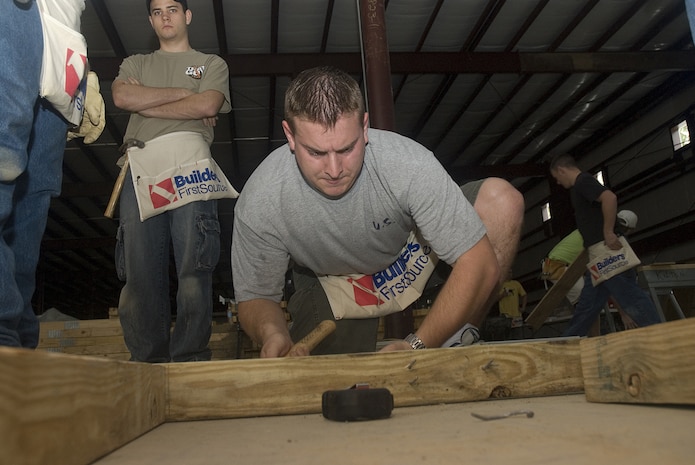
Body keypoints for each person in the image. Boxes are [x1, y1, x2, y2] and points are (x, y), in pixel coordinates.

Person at [231, 66, 525, 358]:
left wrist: (417, 345)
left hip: (408, 254)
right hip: (331, 282)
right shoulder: (261, 199)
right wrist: (272, 334)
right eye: (316, 153)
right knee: (328, 386)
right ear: (290, 136)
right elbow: (255, 295)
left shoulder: (408, 164)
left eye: (347, 149)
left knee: (501, 200)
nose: (334, 170)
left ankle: (461, 335)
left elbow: (480, 263)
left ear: (365, 127)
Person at [113, 0, 231, 362]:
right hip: (140, 164)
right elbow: (121, 95)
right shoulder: (136, 63)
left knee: (193, 268)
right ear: (151, 20)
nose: (166, 16)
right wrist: (184, 94)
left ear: (187, 16)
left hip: (190, 161)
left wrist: (145, 103)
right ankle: (146, 361)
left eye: (173, 9)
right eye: (158, 11)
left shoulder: (211, 63)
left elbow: (208, 105)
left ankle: (189, 357)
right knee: (140, 271)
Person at [0, 0, 104, 348]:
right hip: (11, 22)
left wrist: (81, 76)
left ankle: (20, 342)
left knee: (31, 209)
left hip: (61, 60)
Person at [549, 154, 660, 336]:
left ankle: (660, 334)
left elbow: (609, 198)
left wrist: (608, 232)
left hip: (606, 251)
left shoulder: (583, 181)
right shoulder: (579, 186)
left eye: (556, 178)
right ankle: (569, 342)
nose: (558, 183)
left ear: (561, 170)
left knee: (629, 295)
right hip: (597, 253)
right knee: (588, 305)